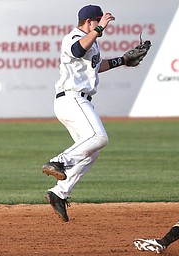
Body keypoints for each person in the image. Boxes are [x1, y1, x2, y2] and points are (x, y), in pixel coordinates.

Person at [42, 5, 149, 222]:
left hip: (78, 100)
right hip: (72, 98)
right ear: (89, 22)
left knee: (92, 151)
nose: (103, 25)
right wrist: (99, 29)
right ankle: (58, 161)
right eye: (98, 21)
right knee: (99, 138)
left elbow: (96, 65)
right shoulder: (73, 37)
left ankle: (59, 192)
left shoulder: (92, 40)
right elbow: (77, 51)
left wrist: (123, 60)